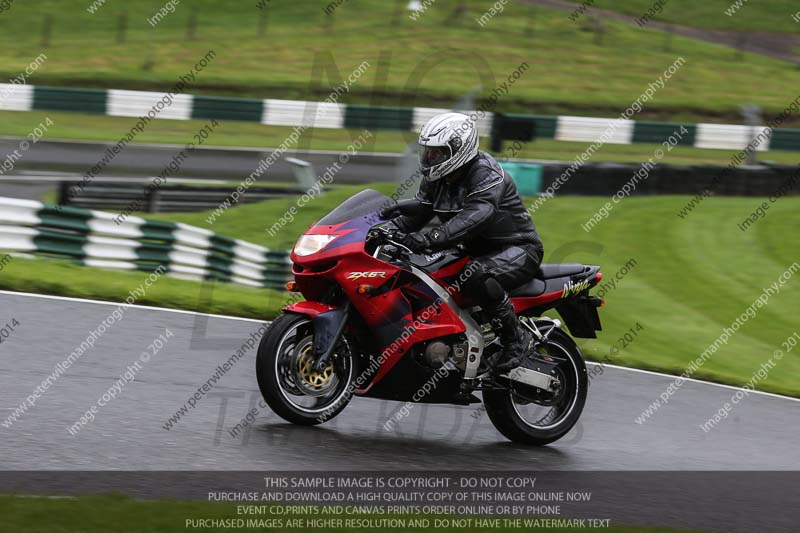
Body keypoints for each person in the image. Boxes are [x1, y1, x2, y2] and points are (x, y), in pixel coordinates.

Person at [388, 112, 544, 373]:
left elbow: (476, 216)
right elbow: (419, 214)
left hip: (517, 249)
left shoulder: (486, 173)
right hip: (471, 250)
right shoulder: (438, 178)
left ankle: (514, 340)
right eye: (428, 152)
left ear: (459, 150)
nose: (430, 159)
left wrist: (431, 238)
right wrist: (381, 230)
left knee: (476, 274)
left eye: (437, 153)